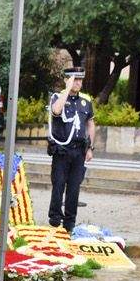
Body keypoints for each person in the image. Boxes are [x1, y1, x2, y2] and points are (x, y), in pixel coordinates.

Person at [47, 68, 95, 230]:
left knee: (74, 187)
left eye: (80, 80)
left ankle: (69, 223)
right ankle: (54, 219)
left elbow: (90, 124)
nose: (78, 83)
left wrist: (90, 148)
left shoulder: (85, 100)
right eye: (75, 80)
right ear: (67, 80)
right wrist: (67, 89)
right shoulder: (57, 97)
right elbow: (56, 111)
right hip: (62, 150)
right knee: (59, 184)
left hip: (79, 150)